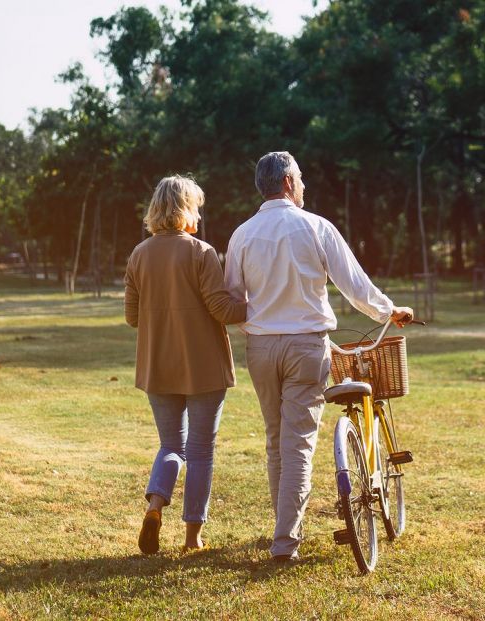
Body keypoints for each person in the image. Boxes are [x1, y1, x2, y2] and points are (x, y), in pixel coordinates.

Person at [225, 151, 413, 563]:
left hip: (260, 348)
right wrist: (388, 311)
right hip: (306, 346)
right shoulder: (315, 227)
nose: (305, 185)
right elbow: (354, 285)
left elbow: (233, 298)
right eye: (302, 178)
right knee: (298, 445)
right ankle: (284, 541)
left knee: (276, 440)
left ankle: (282, 528)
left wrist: (255, 323)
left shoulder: (242, 234)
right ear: (289, 183)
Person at [124, 175, 246, 554]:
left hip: (158, 367)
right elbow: (222, 309)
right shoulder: (201, 252)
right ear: (186, 209)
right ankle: (193, 537)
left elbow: (132, 317)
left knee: (171, 446)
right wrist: (265, 303)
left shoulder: (138, 255)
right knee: (201, 452)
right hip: (204, 367)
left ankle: (155, 504)